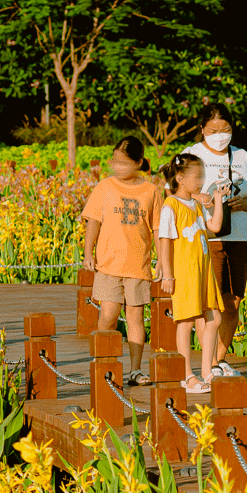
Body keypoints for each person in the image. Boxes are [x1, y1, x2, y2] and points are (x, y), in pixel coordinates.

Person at [182, 105, 247, 378]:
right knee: (210, 302)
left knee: (233, 301)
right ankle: (207, 362)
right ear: (202, 129)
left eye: (225, 129)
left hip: (239, 236)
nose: (220, 135)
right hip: (208, 236)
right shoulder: (193, 153)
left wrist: (245, 203)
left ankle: (219, 359)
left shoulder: (242, 156)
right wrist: (202, 198)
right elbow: (174, 190)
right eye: (213, 130)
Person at [81, 136, 161, 384]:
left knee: (135, 318)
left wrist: (162, 261)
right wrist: (88, 252)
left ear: (139, 163)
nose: (117, 167)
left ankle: (135, 370)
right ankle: (103, 363)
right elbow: (93, 222)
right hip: (108, 263)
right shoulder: (104, 187)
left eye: (124, 163)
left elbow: (158, 229)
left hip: (138, 265)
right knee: (108, 315)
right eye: (114, 162)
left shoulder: (151, 191)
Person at [157, 151, 225, 394]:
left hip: (203, 271)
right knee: (185, 323)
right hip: (185, 272)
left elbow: (214, 226)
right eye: (197, 177)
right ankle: (186, 376)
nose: (201, 181)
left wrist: (218, 200)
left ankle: (207, 371)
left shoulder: (196, 205)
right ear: (180, 178)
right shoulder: (170, 206)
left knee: (214, 318)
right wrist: (168, 274)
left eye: (202, 176)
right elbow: (164, 241)